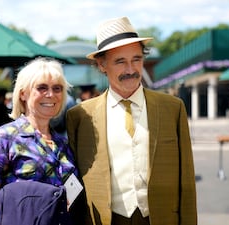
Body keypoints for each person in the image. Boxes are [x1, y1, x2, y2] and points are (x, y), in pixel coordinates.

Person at [67, 17, 197, 225]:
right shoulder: (80, 115)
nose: (130, 69)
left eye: (136, 59)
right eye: (120, 61)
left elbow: (187, 182)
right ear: (102, 64)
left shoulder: (173, 108)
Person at [0, 58, 79, 224]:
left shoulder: (63, 144)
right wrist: (36, 205)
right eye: (42, 87)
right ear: (23, 94)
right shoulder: (3, 139)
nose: (51, 94)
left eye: (57, 88)